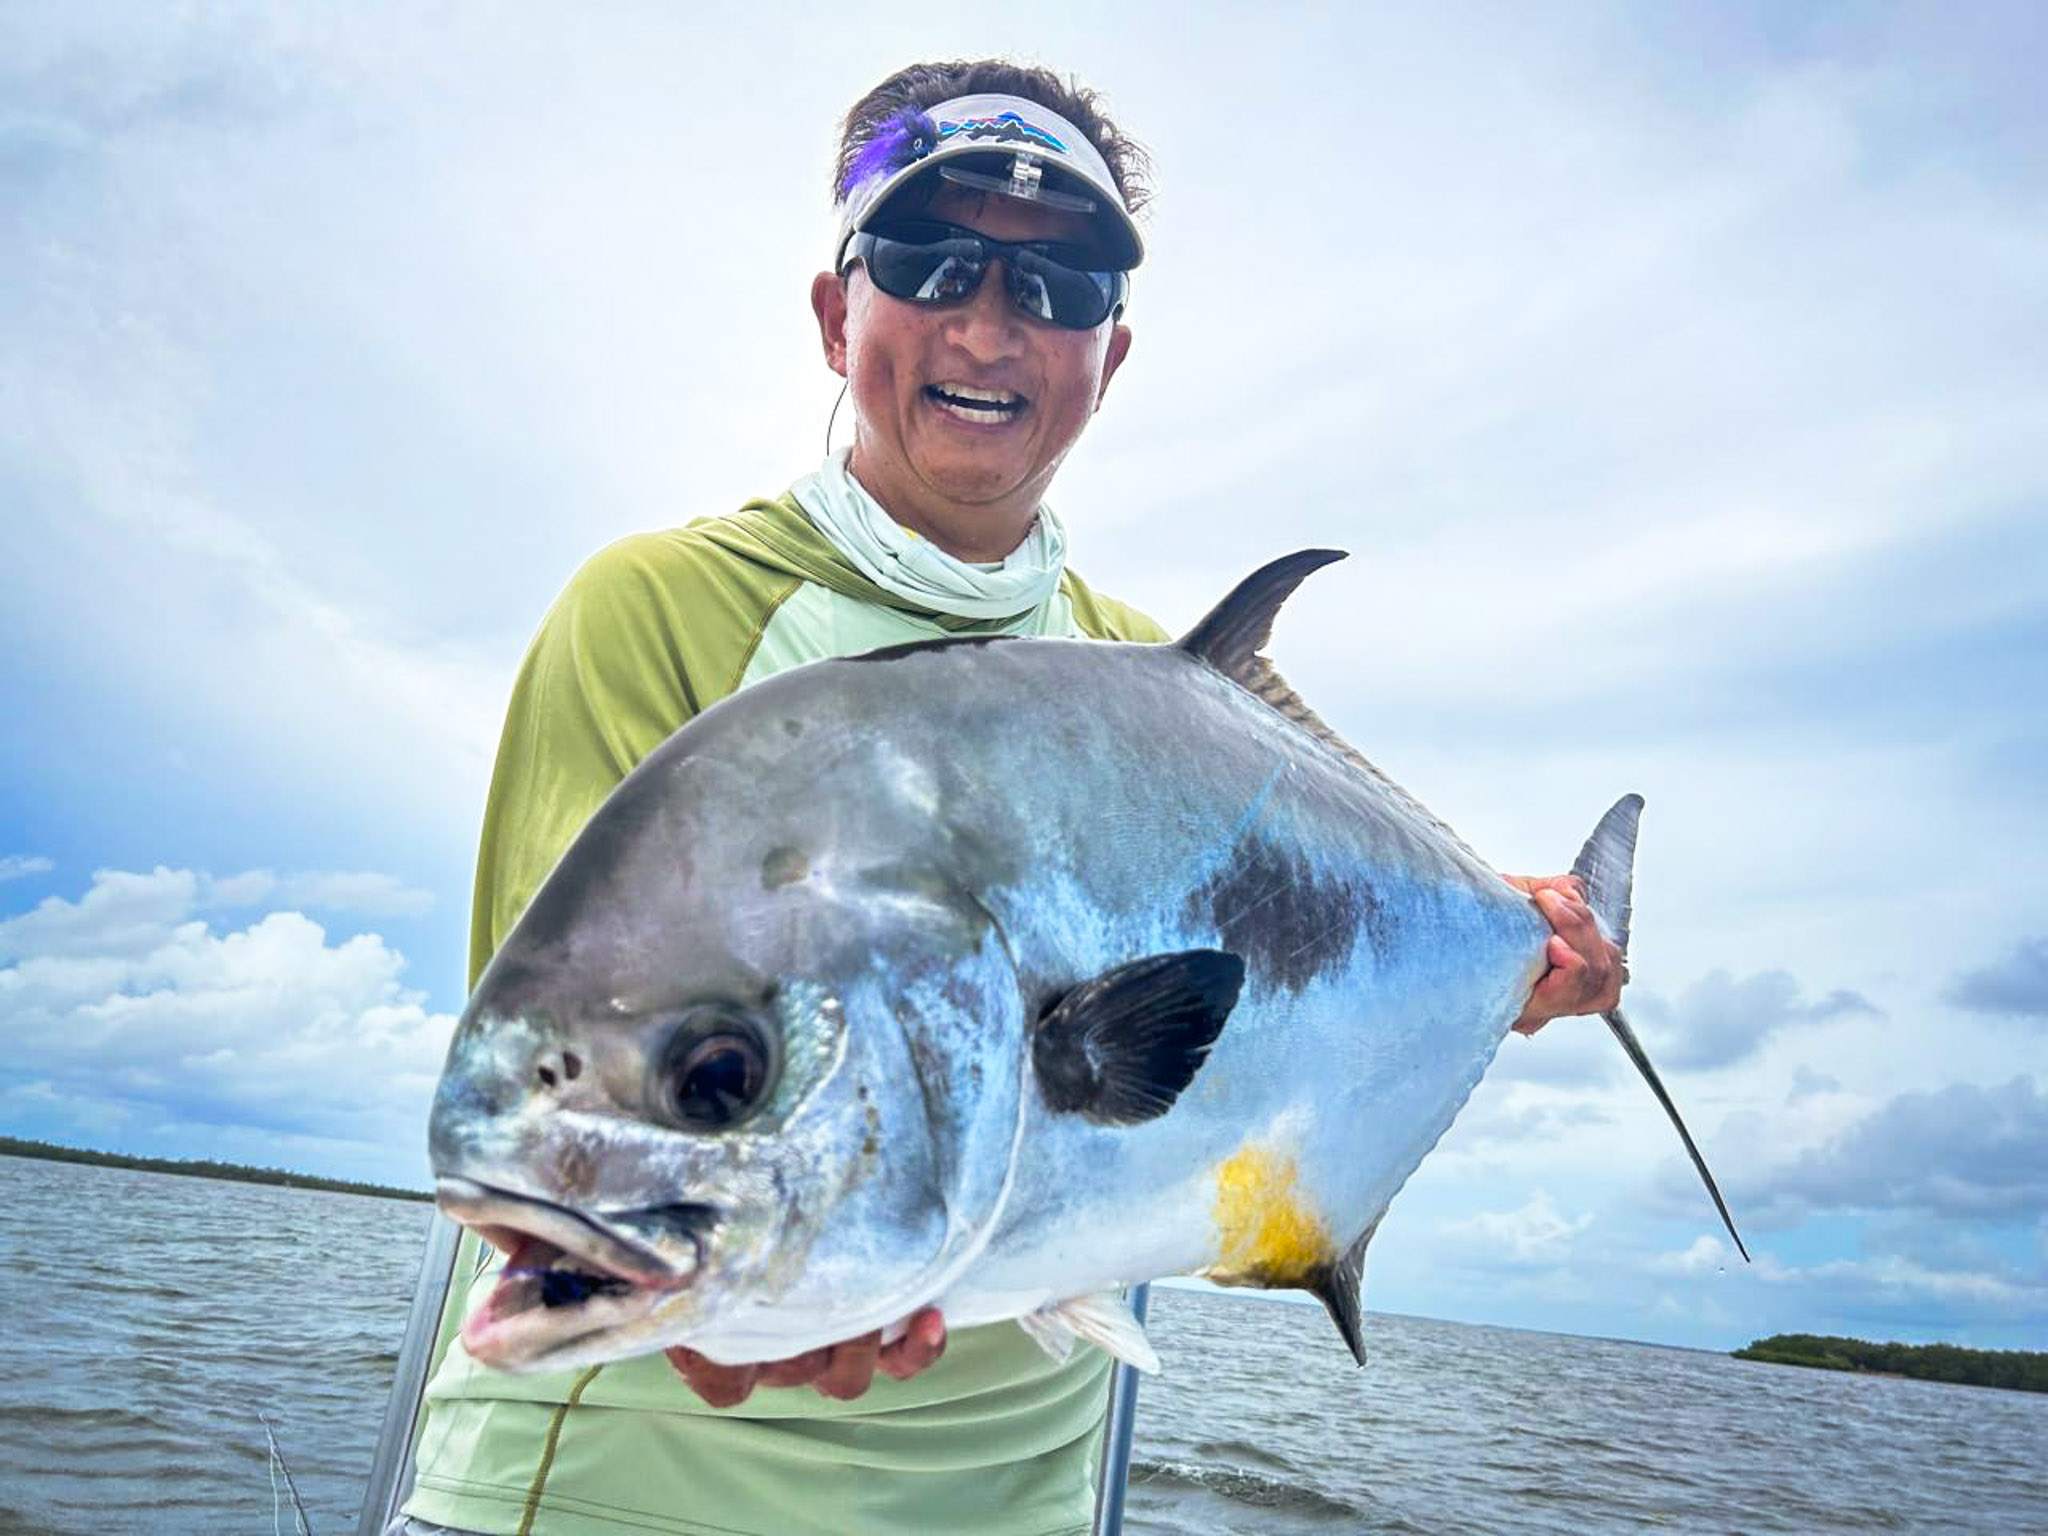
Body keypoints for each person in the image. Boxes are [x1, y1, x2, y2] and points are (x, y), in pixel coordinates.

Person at [393, 58, 1621, 1536]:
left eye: (1058, 284)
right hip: (614, 1498)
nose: (987, 325)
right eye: (930, 259)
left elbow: (1274, 1020)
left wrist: (1507, 953)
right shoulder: (658, 607)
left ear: (1111, 354)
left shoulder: (1160, 687)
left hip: (1022, 1501)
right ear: (836, 312)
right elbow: (580, 1066)